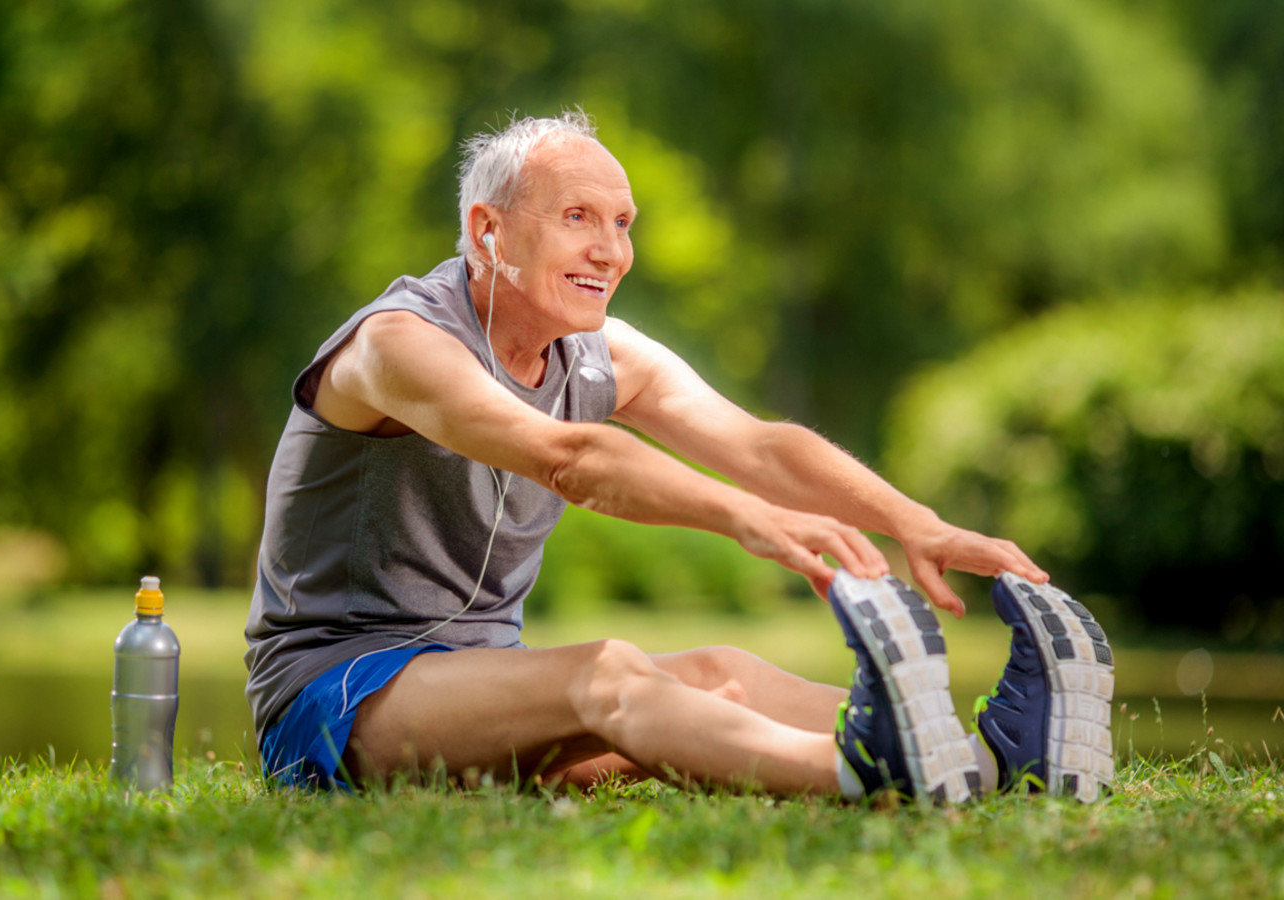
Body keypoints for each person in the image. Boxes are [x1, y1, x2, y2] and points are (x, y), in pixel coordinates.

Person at [243, 111, 1115, 804]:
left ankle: (992, 761)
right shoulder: (398, 344)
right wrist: (749, 520)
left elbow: (759, 444)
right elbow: (570, 458)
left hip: (482, 686)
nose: (609, 250)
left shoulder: (595, 355)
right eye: (577, 218)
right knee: (605, 673)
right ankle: (870, 768)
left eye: (622, 224)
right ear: (489, 231)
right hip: (336, 696)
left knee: (722, 675)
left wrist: (915, 525)